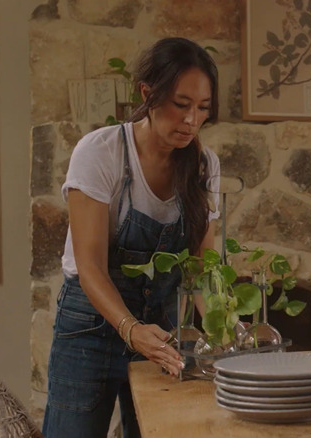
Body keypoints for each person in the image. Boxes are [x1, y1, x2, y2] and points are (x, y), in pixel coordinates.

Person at [42, 37, 221, 438]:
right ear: (148, 93)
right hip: (89, 329)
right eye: (181, 104)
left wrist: (223, 331)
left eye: (203, 108)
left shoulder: (204, 164)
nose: (192, 120)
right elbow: (89, 266)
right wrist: (129, 328)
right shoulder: (102, 152)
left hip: (162, 334)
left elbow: (202, 267)